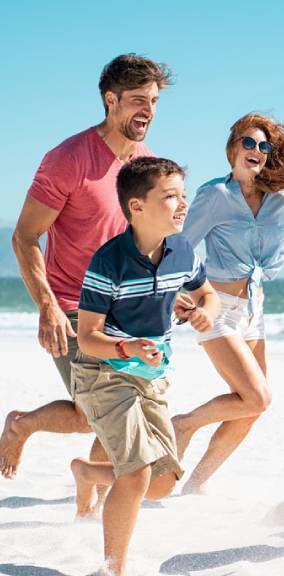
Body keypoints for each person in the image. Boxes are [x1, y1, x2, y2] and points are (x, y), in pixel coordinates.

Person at [1, 54, 172, 482]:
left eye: (153, 101)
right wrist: (48, 307)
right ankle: (22, 427)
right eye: (138, 100)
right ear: (111, 100)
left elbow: (142, 238)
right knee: (99, 412)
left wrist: (169, 288)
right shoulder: (68, 159)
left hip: (124, 308)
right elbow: (24, 236)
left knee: (111, 409)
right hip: (74, 307)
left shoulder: (145, 162)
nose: (148, 110)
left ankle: (90, 489)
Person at [173, 113, 284, 494]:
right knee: (257, 396)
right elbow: (180, 246)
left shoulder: (281, 203)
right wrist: (175, 292)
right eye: (248, 142)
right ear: (233, 148)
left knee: (253, 407)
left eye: (263, 146)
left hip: (254, 312)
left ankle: (196, 483)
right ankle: (183, 425)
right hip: (216, 308)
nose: (256, 150)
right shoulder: (214, 196)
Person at [70, 157, 218, 575]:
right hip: (104, 371)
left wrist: (205, 311)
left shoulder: (182, 250)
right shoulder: (108, 262)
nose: (182, 204)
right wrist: (127, 347)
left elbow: (207, 294)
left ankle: (88, 472)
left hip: (152, 375)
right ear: (136, 207)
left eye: (183, 195)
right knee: (135, 474)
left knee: (162, 482)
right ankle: (113, 569)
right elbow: (87, 336)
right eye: (170, 196)